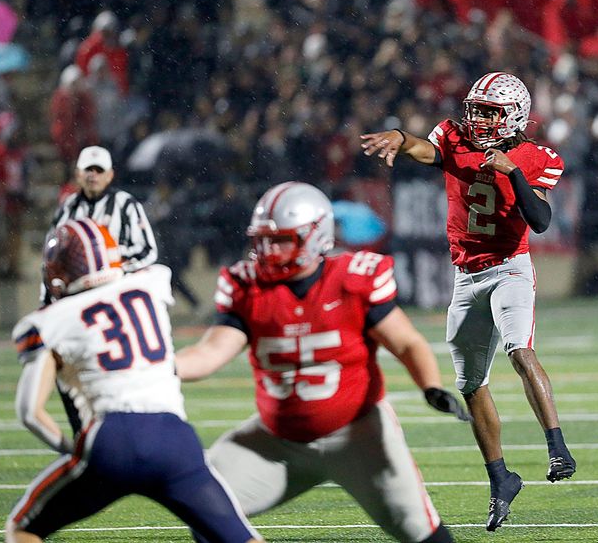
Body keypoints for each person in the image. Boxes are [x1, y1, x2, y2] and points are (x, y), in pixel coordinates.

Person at [175, 181, 467, 543]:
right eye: (263, 240)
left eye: (280, 240)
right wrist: (157, 367)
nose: (268, 250)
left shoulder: (351, 279)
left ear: (316, 237)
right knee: (206, 509)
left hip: (359, 436)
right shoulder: (248, 287)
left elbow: (406, 342)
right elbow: (210, 353)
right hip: (278, 441)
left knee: (424, 535)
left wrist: (431, 386)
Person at [361, 72, 576, 531]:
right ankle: (501, 479)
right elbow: (426, 150)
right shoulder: (455, 137)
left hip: (510, 268)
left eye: (491, 112)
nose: (480, 119)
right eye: (477, 109)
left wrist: (512, 172)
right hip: (465, 278)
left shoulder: (534, 157)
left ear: (514, 115)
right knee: (471, 383)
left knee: (520, 351)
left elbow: (540, 220)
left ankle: (557, 446)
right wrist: (400, 138)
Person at [6, 218, 263, 543]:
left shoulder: (50, 321)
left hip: (112, 439)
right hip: (175, 438)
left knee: (23, 528)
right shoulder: (152, 283)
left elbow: (30, 413)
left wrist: (74, 451)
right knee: (242, 539)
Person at [41, 145, 158, 435]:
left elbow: (148, 251)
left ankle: (123, 433)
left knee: (119, 372)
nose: (93, 175)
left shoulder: (126, 204)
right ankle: (82, 435)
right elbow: (52, 260)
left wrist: (112, 268)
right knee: (67, 369)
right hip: (77, 304)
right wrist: (46, 302)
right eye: (88, 170)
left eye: (98, 170)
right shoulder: (68, 207)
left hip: (114, 302)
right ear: (78, 174)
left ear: (110, 175)